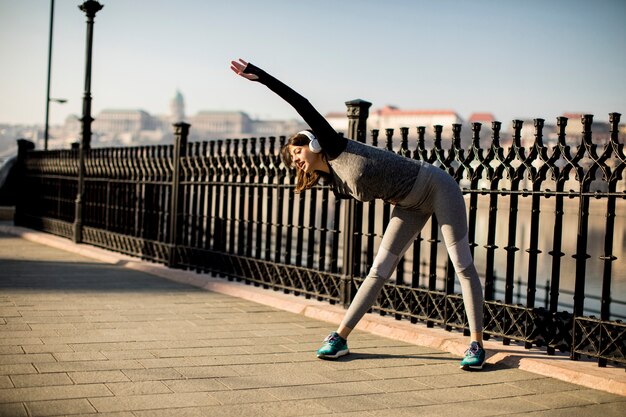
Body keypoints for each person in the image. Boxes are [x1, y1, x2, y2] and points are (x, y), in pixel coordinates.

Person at [230, 58, 486, 370]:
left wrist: (263, 77)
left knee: (461, 262)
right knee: (379, 268)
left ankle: (476, 343)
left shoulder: (334, 145)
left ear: (311, 142)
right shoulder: (334, 180)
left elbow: (302, 103)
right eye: (292, 159)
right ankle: (340, 338)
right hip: (408, 205)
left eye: (296, 152)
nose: (295, 159)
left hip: (437, 187)